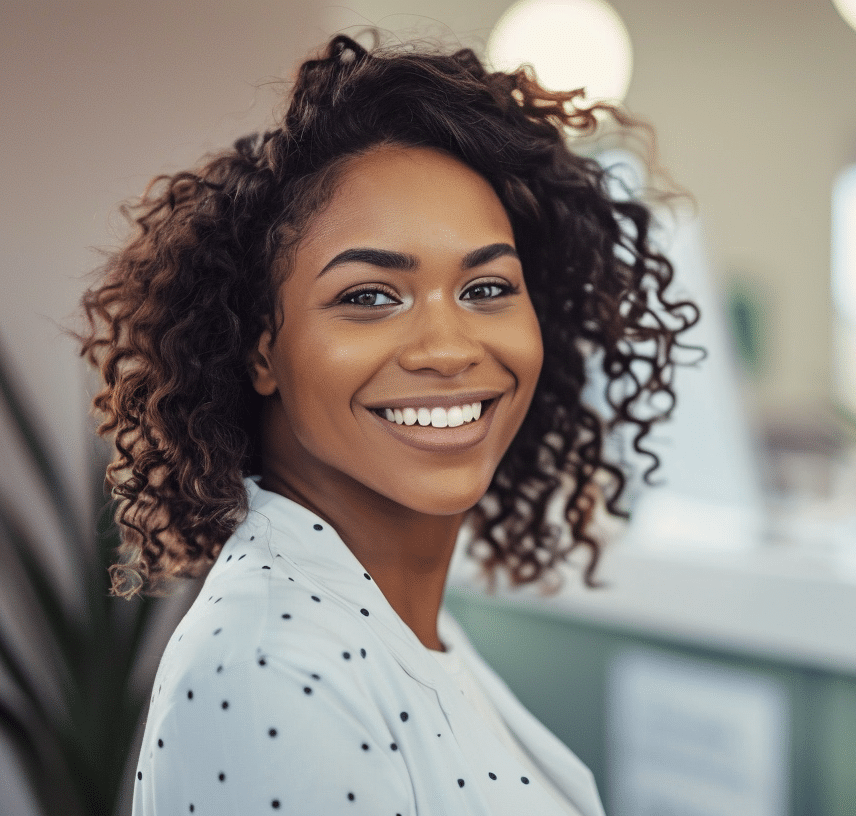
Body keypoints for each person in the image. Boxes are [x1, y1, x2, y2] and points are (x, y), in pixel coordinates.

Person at [78, 35, 696, 815]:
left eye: (485, 287)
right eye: (370, 296)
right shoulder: (274, 672)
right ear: (261, 350)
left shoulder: (393, 624)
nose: (447, 349)